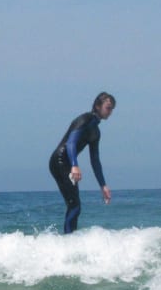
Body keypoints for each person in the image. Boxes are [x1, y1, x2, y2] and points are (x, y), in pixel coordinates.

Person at [49, 92, 116, 233]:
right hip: (60, 160)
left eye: (112, 108)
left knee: (74, 205)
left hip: (66, 163)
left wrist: (103, 185)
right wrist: (74, 165)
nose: (110, 111)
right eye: (108, 107)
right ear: (98, 106)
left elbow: (95, 160)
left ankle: (68, 238)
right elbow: (71, 143)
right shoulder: (85, 119)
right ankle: (68, 241)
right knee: (75, 206)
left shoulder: (96, 132)